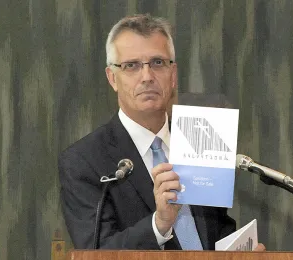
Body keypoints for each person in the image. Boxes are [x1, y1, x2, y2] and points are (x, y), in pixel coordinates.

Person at [58, 13, 265, 251]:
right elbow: (98, 251)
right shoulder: (83, 161)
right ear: (112, 78)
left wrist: (240, 253)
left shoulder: (201, 136)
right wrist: (160, 224)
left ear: (173, 74)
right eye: (131, 66)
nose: (147, 77)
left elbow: (215, 229)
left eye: (157, 63)